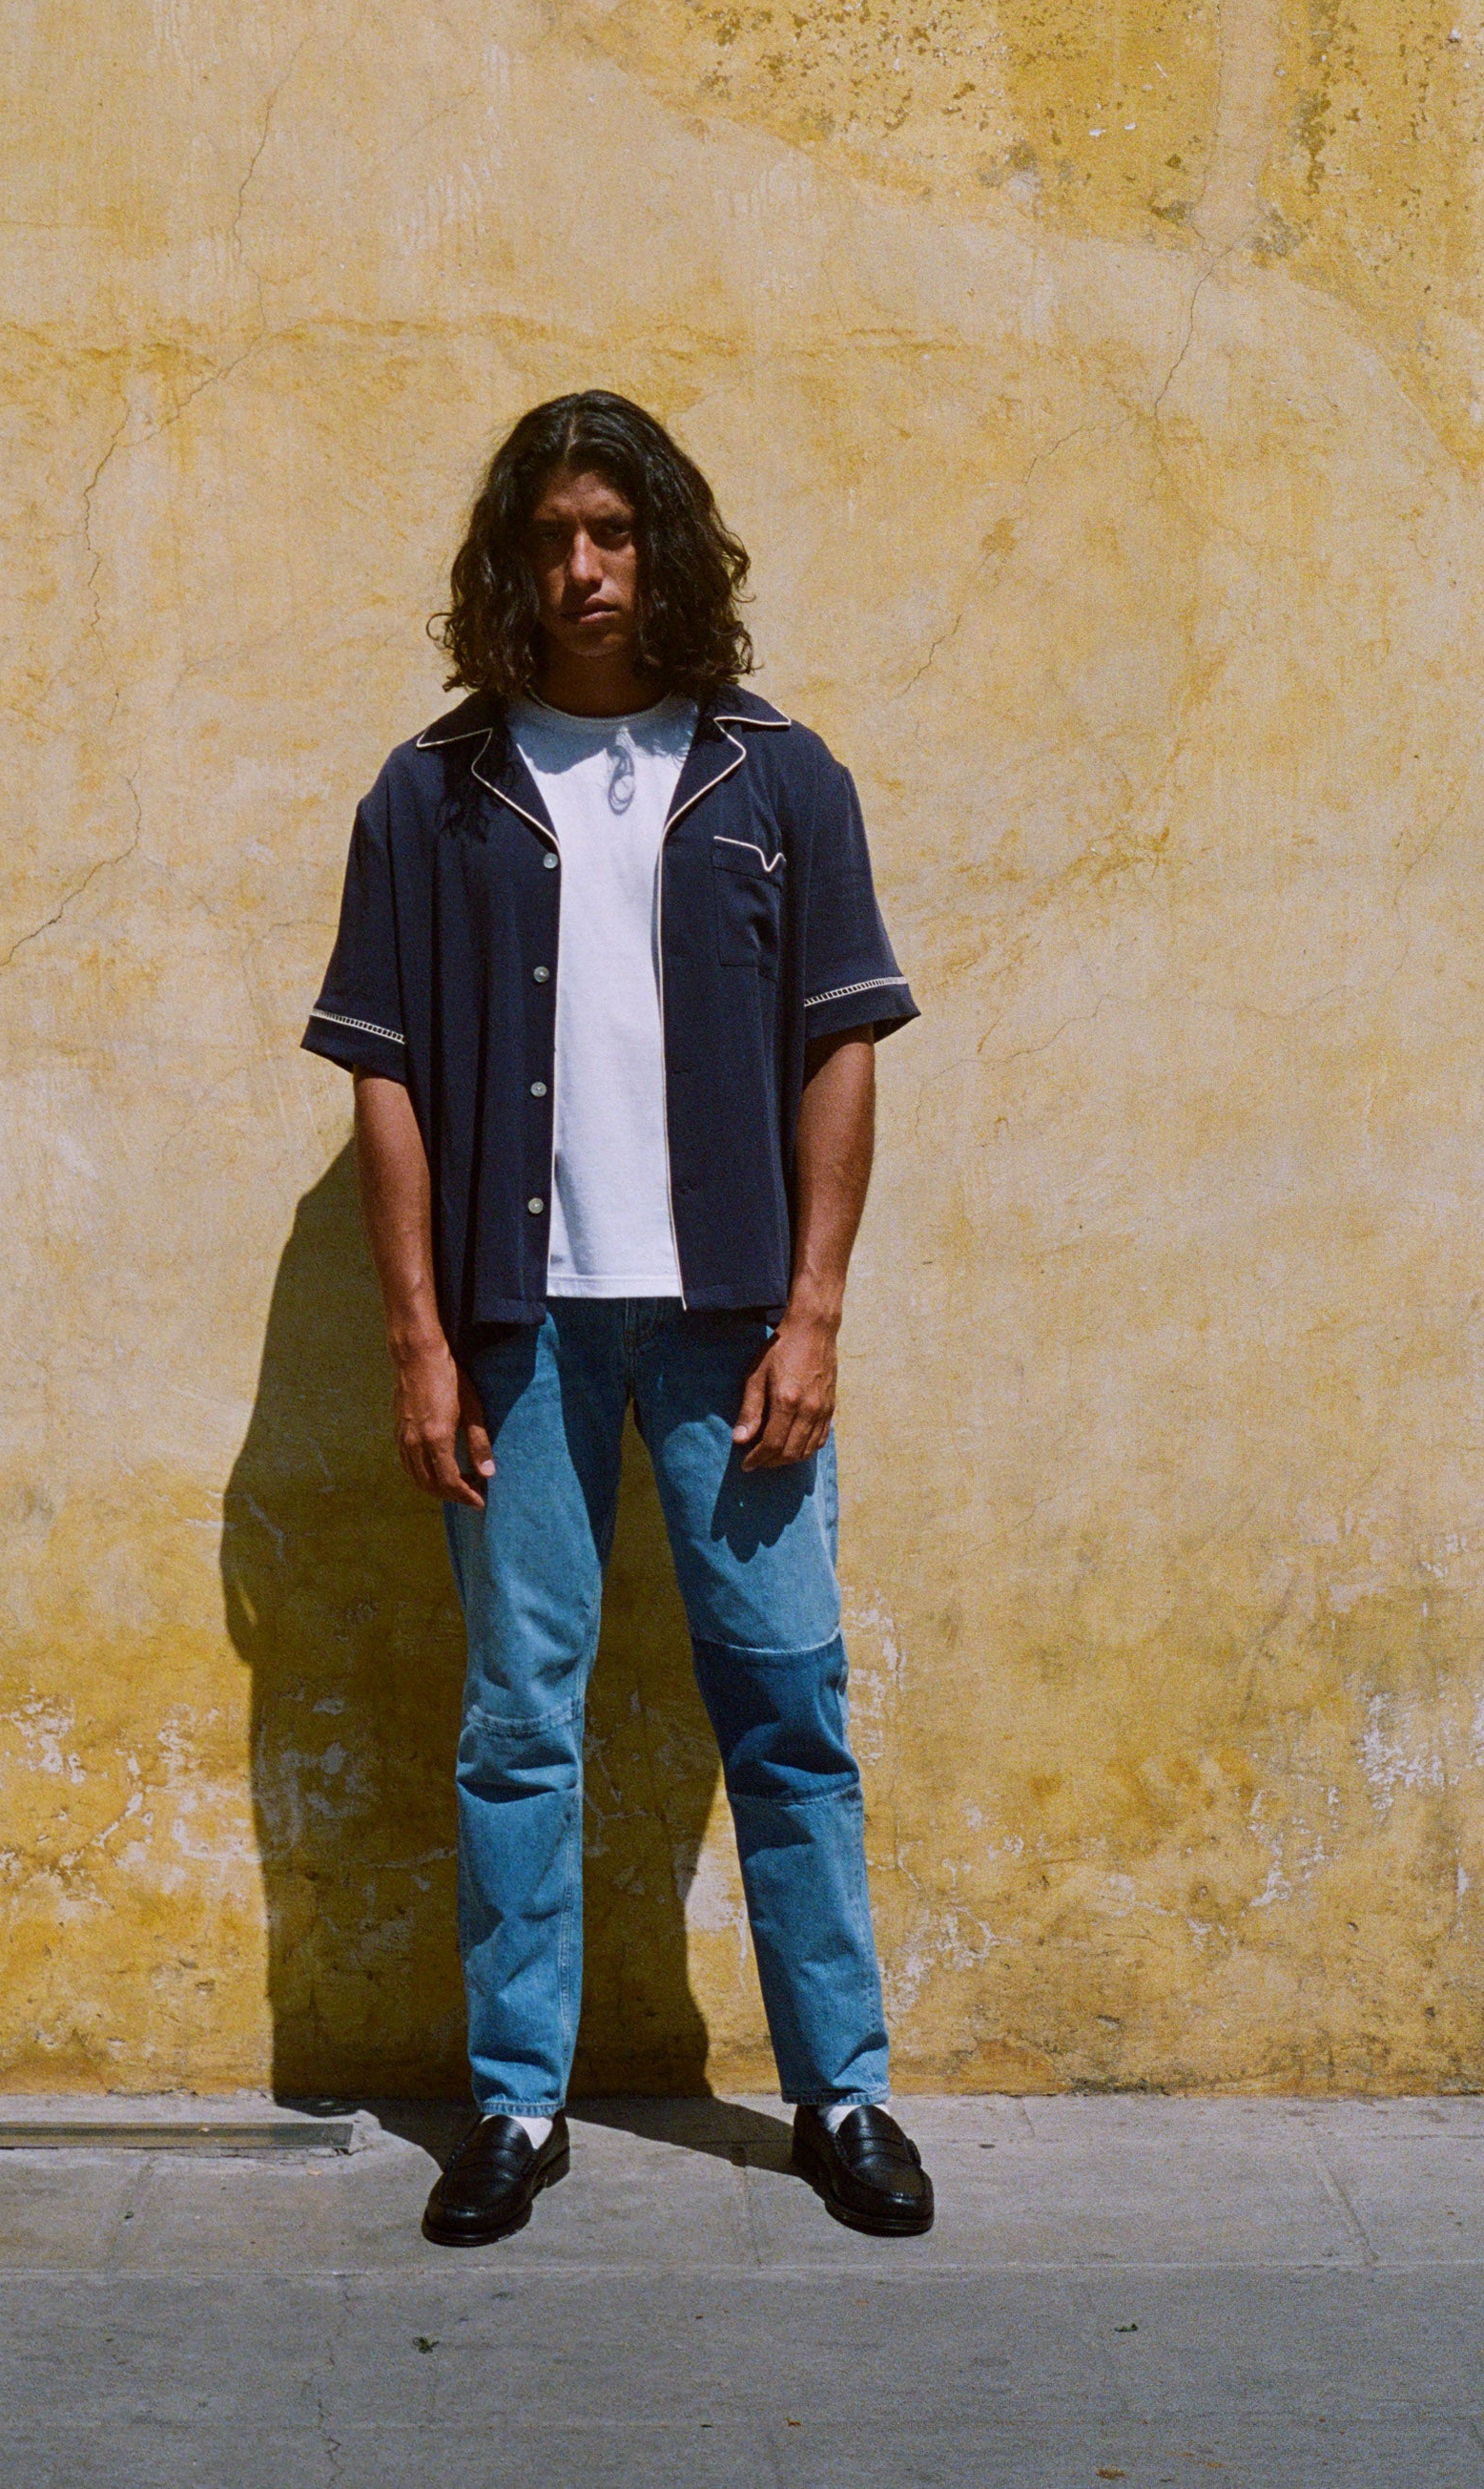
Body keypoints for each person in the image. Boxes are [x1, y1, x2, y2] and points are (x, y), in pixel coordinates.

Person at [302, 389, 934, 2247]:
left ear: (667, 547)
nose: (583, 569)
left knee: (789, 1710)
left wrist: (812, 1312)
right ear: (512, 563)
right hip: (522, 1339)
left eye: (615, 531)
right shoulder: (435, 795)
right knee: (517, 1721)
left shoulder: (777, 779)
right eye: (551, 537)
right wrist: (418, 1339)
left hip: (731, 1331)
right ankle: (513, 2105)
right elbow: (388, 1080)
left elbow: (841, 1047)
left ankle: (842, 2093)